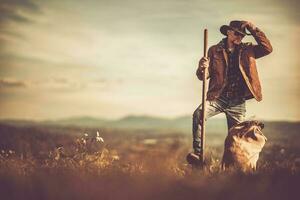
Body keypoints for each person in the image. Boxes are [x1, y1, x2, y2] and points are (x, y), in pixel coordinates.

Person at [187, 20, 273, 165]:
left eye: (242, 34)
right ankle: (198, 154)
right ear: (228, 32)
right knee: (198, 114)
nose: (240, 36)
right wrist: (202, 67)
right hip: (217, 97)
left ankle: (230, 168)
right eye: (236, 33)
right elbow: (203, 76)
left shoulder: (248, 50)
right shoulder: (214, 50)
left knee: (237, 138)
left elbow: (267, 48)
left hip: (237, 101)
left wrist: (253, 28)